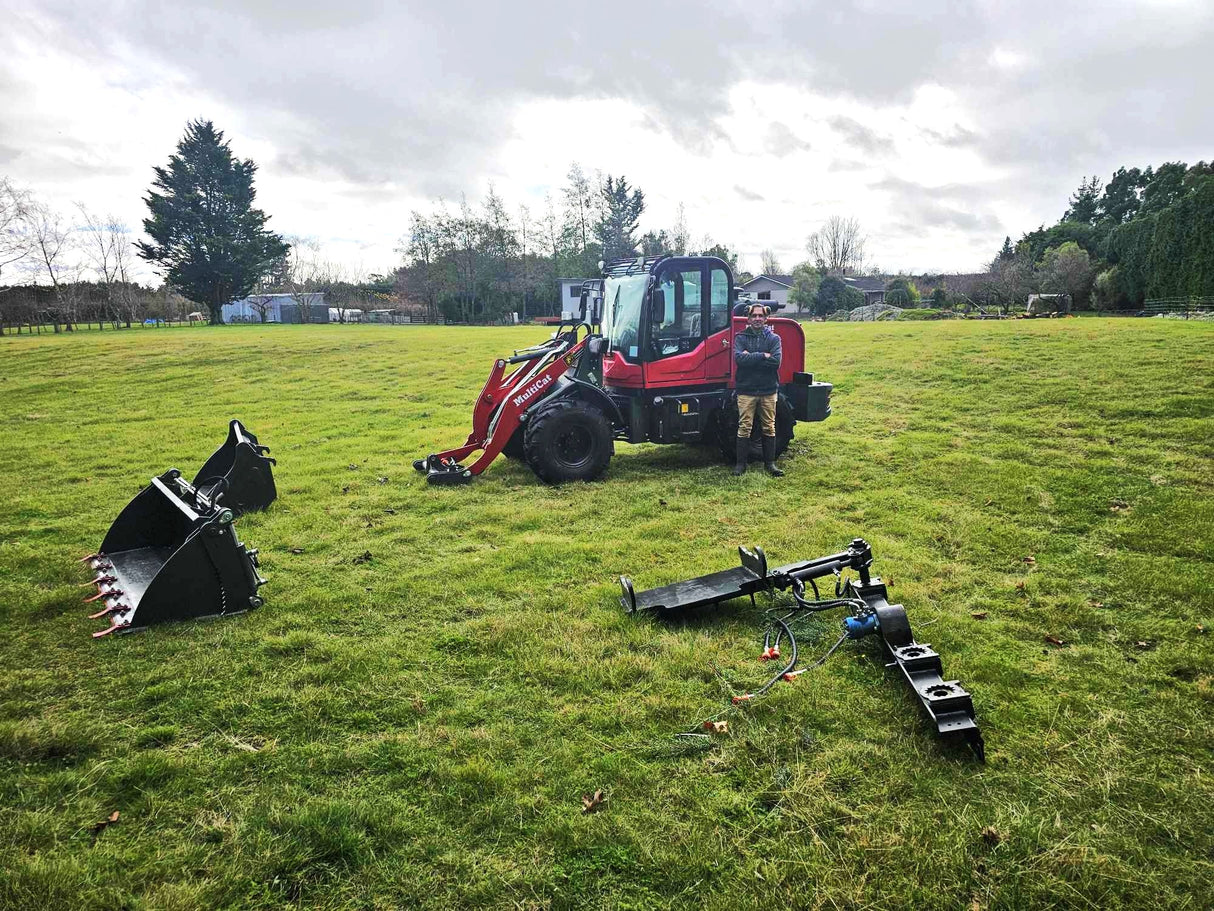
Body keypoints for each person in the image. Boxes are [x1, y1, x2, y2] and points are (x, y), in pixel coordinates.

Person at [733, 302, 784, 477]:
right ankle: (741, 465)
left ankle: (770, 464)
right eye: (754, 316)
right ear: (748, 318)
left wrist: (751, 357)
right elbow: (739, 359)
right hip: (746, 390)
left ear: (766, 318)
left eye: (760, 316)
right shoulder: (740, 337)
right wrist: (763, 355)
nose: (757, 319)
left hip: (768, 390)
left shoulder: (774, 339)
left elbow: (776, 362)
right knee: (744, 427)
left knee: (769, 427)